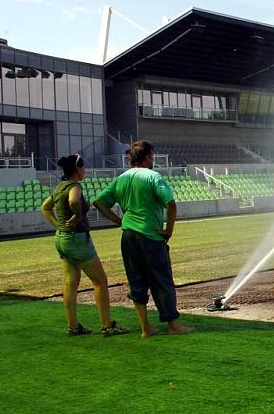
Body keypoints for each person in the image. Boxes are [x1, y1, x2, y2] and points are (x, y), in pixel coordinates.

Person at [93, 140, 194, 338]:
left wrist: (118, 220)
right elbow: (171, 204)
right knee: (162, 280)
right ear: (147, 157)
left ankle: (145, 328)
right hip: (150, 235)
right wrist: (169, 230)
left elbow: (98, 202)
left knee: (136, 282)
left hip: (128, 236)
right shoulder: (153, 176)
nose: (153, 160)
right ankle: (173, 326)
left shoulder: (120, 178)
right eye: (152, 156)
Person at [40, 154, 129, 337]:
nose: (85, 170)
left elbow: (45, 207)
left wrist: (57, 224)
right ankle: (107, 325)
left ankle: (73, 326)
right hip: (78, 239)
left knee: (70, 283)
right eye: (83, 168)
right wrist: (77, 216)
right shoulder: (74, 186)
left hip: (62, 238)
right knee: (100, 281)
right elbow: (73, 201)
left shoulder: (59, 187)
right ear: (77, 169)